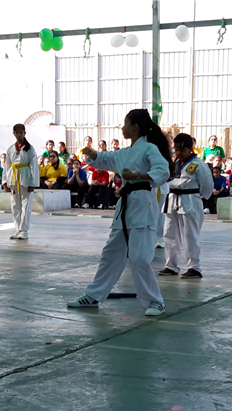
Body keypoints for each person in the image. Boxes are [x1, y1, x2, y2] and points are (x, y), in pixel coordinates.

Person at [69, 108, 170, 317]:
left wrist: (137, 175)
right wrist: (93, 154)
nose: (122, 128)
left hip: (142, 205)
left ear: (135, 127)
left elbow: (163, 170)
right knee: (111, 254)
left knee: (139, 258)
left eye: (125, 124)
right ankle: (93, 295)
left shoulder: (149, 148)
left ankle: (155, 301)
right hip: (125, 206)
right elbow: (106, 159)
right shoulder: (125, 152)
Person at [159, 133, 213, 279]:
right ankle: (171, 265)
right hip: (172, 200)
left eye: (182, 150)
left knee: (190, 235)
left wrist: (197, 197)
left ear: (190, 148)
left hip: (190, 201)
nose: (179, 153)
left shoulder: (199, 165)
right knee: (169, 234)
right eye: (177, 150)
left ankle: (194, 267)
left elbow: (207, 187)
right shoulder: (174, 164)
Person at [2, 124, 40, 239]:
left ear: (24, 133)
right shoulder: (11, 149)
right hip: (13, 178)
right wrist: (5, 181)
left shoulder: (30, 148)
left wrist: (33, 183)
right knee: (15, 205)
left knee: (26, 205)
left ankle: (24, 230)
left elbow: (34, 166)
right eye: (17, 132)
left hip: (26, 178)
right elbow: (7, 166)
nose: (19, 134)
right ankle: (18, 229)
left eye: (21, 132)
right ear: (14, 134)